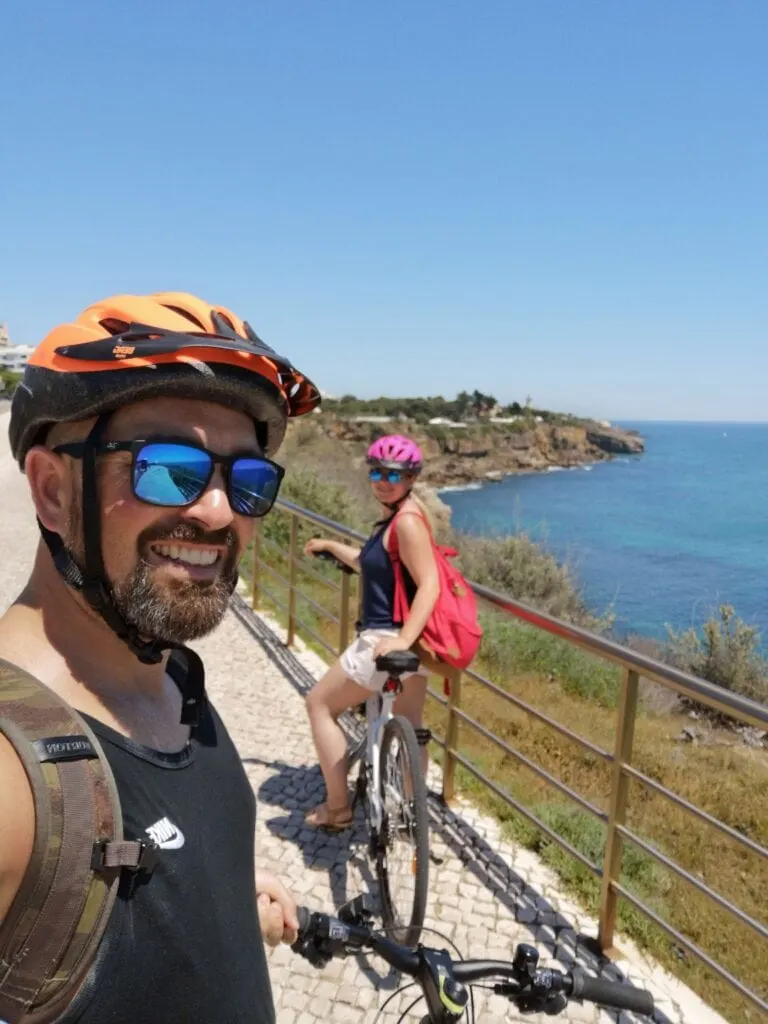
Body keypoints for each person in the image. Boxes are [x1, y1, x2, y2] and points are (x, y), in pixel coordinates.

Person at [0, 292, 320, 1024]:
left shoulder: (175, 677)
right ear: (52, 490)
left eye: (246, 480)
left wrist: (227, 908)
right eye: (168, 468)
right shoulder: (14, 778)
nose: (217, 511)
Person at [303, 434, 440, 830]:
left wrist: (400, 639)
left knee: (320, 706)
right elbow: (370, 563)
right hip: (414, 644)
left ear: (411, 477)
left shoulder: (408, 522)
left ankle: (338, 807)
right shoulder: (398, 520)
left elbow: (428, 583)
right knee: (411, 724)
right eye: (377, 472)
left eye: (394, 474)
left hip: (386, 638)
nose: (383, 480)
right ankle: (413, 816)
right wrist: (331, 544)